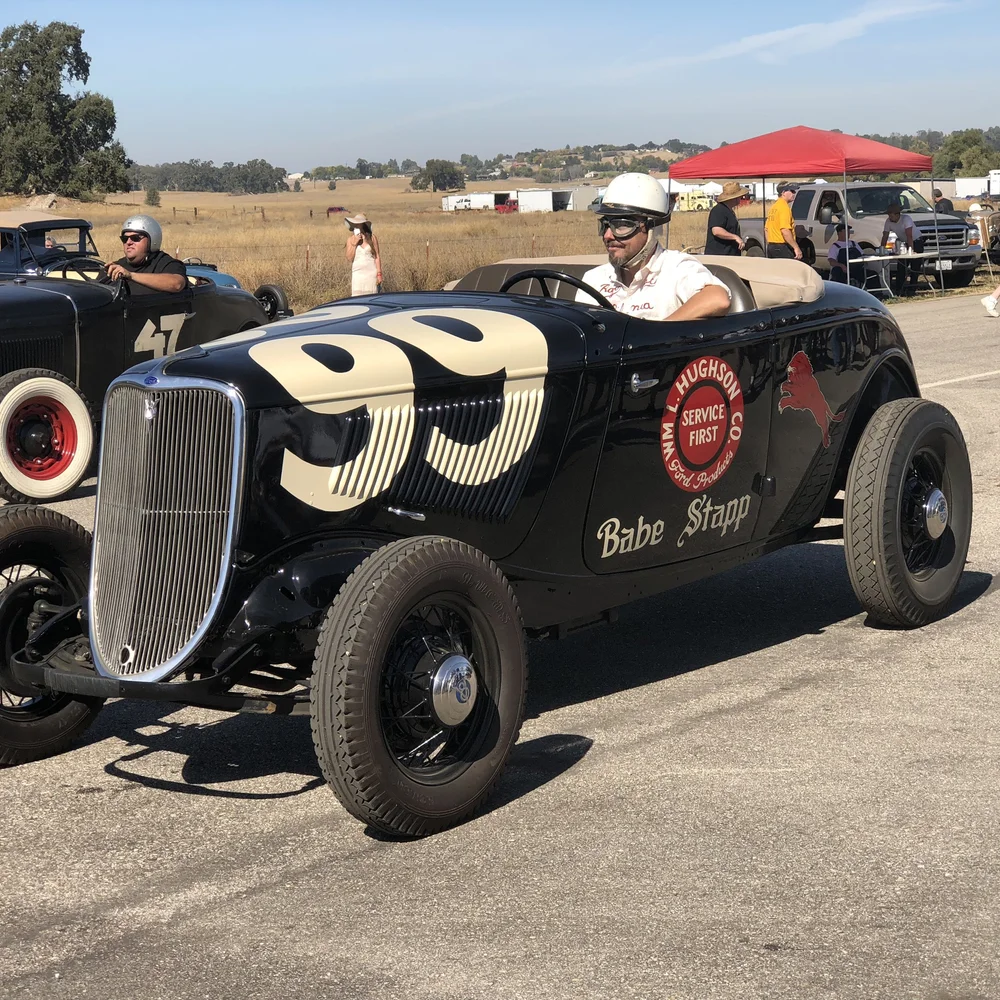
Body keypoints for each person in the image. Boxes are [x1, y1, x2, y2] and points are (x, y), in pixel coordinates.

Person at [575, 172, 730, 321]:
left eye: (622, 225)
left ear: (651, 227)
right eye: (605, 225)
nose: (608, 235)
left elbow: (718, 298)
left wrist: (658, 331)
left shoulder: (675, 268)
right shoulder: (594, 279)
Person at [101, 215, 186, 293]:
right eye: (124, 238)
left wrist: (131, 275)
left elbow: (176, 284)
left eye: (135, 238)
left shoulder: (166, 264)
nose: (128, 242)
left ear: (152, 240)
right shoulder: (115, 267)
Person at [880, 202, 920, 294]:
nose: (890, 217)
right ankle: (899, 289)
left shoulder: (906, 219)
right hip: (905, 242)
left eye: (891, 215)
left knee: (915, 266)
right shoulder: (888, 221)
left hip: (916, 241)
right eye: (889, 215)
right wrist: (882, 249)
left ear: (897, 214)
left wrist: (911, 249)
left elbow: (909, 235)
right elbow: (885, 236)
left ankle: (912, 289)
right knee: (901, 265)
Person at [704, 181, 750, 256]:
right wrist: (735, 237)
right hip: (720, 256)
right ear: (734, 198)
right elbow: (716, 231)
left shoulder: (728, 210)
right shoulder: (719, 210)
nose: (740, 198)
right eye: (739, 196)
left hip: (729, 254)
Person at [345, 213, 382, 295]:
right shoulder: (350, 239)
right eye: (355, 224)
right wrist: (355, 243)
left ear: (363, 225)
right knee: (357, 299)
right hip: (358, 274)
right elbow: (349, 258)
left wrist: (379, 274)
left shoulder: (372, 238)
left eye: (359, 224)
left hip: (371, 273)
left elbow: (377, 256)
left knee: (371, 297)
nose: (357, 226)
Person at [765, 182, 802, 259]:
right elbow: (785, 230)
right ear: (783, 192)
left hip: (771, 247)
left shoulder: (774, 207)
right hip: (782, 247)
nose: (794, 193)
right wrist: (796, 247)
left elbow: (766, 229)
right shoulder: (784, 208)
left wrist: (771, 244)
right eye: (792, 191)